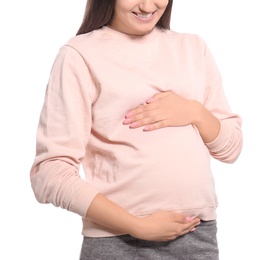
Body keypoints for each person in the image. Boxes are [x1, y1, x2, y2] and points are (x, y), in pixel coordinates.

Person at [30, 0, 243, 259]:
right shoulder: (79, 55)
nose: (147, 5)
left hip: (197, 235)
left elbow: (231, 148)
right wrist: (136, 226)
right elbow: (50, 173)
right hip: (117, 242)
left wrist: (194, 112)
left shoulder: (193, 48)